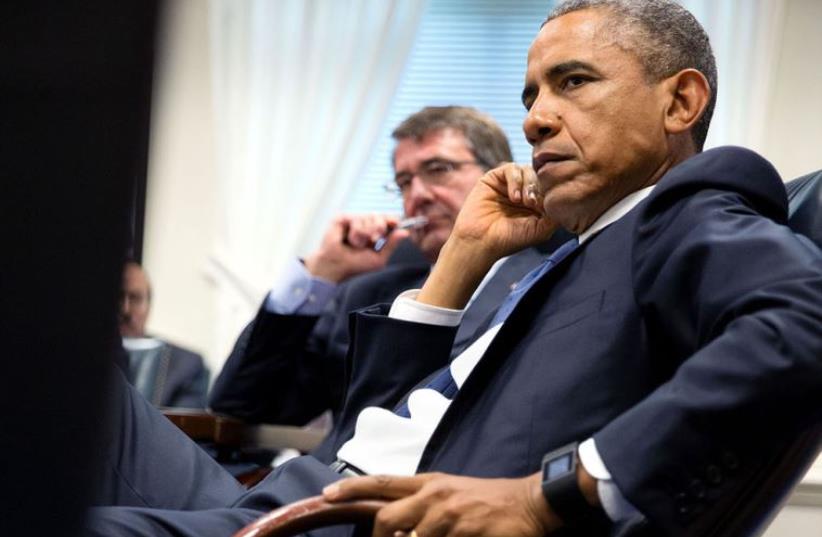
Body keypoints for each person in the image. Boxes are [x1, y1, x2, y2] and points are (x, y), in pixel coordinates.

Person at [86, 1, 822, 535]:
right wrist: (463, 260)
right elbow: (363, 426)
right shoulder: (537, 259)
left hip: (343, 522)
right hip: (291, 488)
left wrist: (553, 491)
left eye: (573, 82)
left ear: (681, 101)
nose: (535, 116)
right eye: (531, 94)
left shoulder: (682, 208)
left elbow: (802, 322)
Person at [208, 107, 561, 459]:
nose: (417, 195)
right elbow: (242, 404)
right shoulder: (366, 293)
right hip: (317, 487)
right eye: (404, 181)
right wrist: (321, 272)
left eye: (438, 170)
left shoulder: (543, 283)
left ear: (496, 174)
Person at [120, 261, 209, 408]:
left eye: (135, 298)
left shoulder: (186, 366)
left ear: (148, 306)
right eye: (117, 297)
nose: (125, 310)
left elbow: (183, 427)